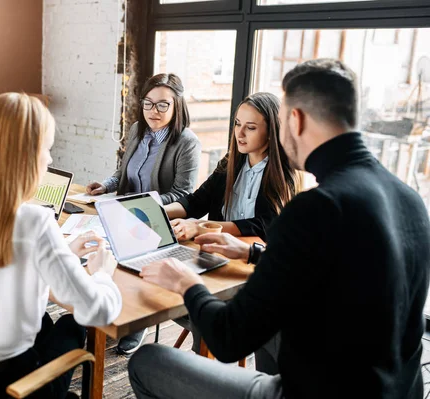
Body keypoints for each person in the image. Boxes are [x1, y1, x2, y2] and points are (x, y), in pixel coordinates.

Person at [129, 59, 430, 399]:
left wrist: (187, 283)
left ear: (295, 120)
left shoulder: (317, 208)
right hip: (399, 390)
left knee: (147, 362)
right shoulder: (410, 199)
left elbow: (229, 340)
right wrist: (252, 252)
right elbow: (334, 269)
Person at [0, 93, 122, 399]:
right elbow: (97, 310)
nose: (50, 159)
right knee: (73, 325)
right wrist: (102, 274)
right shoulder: (34, 222)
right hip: (7, 385)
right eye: (46, 149)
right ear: (26, 156)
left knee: (46, 322)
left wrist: (62, 254)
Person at [164, 92, 301, 368]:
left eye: (250, 127)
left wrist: (202, 226)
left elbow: (264, 225)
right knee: (167, 276)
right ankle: (203, 356)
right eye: (237, 124)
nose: (240, 133)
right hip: (216, 256)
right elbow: (196, 201)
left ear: (271, 130)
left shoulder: (282, 173)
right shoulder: (230, 162)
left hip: (248, 267)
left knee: (201, 298)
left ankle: (204, 363)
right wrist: (157, 211)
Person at [86, 72, 201, 355]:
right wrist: (107, 185)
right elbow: (123, 171)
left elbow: (184, 194)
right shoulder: (138, 129)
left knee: (132, 261)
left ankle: (137, 322)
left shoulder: (186, 142)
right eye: (148, 103)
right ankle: (106, 308)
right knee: (92, 249)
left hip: (155, 220)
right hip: (121, 211)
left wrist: (143, 206)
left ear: (177, 106)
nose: (154, 111)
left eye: (163, 105)